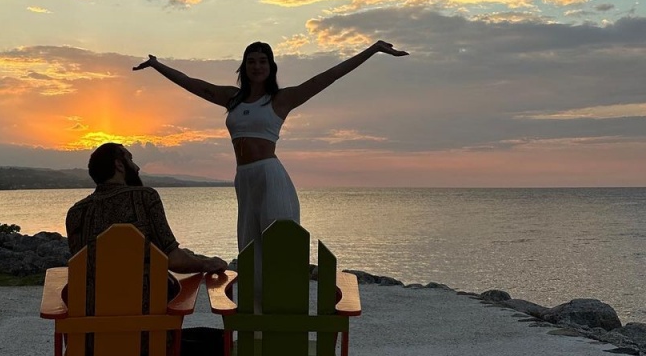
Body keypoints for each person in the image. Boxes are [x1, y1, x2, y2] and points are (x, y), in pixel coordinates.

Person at [133, 40, 408, 264]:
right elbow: (191, 83)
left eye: (262, 61)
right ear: (244, 66)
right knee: (249, 246)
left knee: (278, 242)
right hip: (244, 179)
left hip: (270, 176)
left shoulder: (281, 99)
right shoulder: (232, 98)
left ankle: (283, 305)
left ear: (271, 66)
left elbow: (328, 77)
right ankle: (254, 313)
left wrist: (372, 51)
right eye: (251, 61)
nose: (257, 66)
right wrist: (158, 66)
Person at [66, 141, 227, 275]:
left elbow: (81, 267)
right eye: (130, 159)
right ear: (119, 165)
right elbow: (173, 259)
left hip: (89, 309)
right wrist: (206, 264)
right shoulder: (145, 197)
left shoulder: (75, 213)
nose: (137, 168)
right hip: (145, 307)